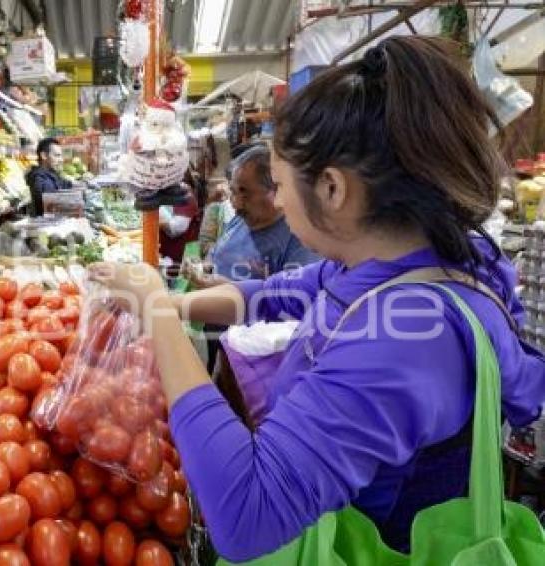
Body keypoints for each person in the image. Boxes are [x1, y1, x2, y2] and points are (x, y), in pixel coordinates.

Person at [90, 36, 545, 561]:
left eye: (281, 185)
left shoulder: (412, 335)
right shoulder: (393, 262)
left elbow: (247, 514)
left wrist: (159, 317)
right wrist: (163, 305)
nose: (277, 200)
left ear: (332, 190)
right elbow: (279, 294)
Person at [185, 145, 318, 289]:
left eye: (245, 193)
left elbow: (296, 301)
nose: (236, 203)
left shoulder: (299, 239)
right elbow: (215, 256)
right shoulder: (241, 220)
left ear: (275, 190)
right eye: (234, 192)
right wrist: (200, 269)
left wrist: (230, 290)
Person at [26, 137, 71, 217]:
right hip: (46, 227)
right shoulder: (39, 179)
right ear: (44, 156)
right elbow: (49, 204)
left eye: (61, 156)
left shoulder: (52, 175)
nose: (61, 160)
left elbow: (66, 184)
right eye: (57, 155)